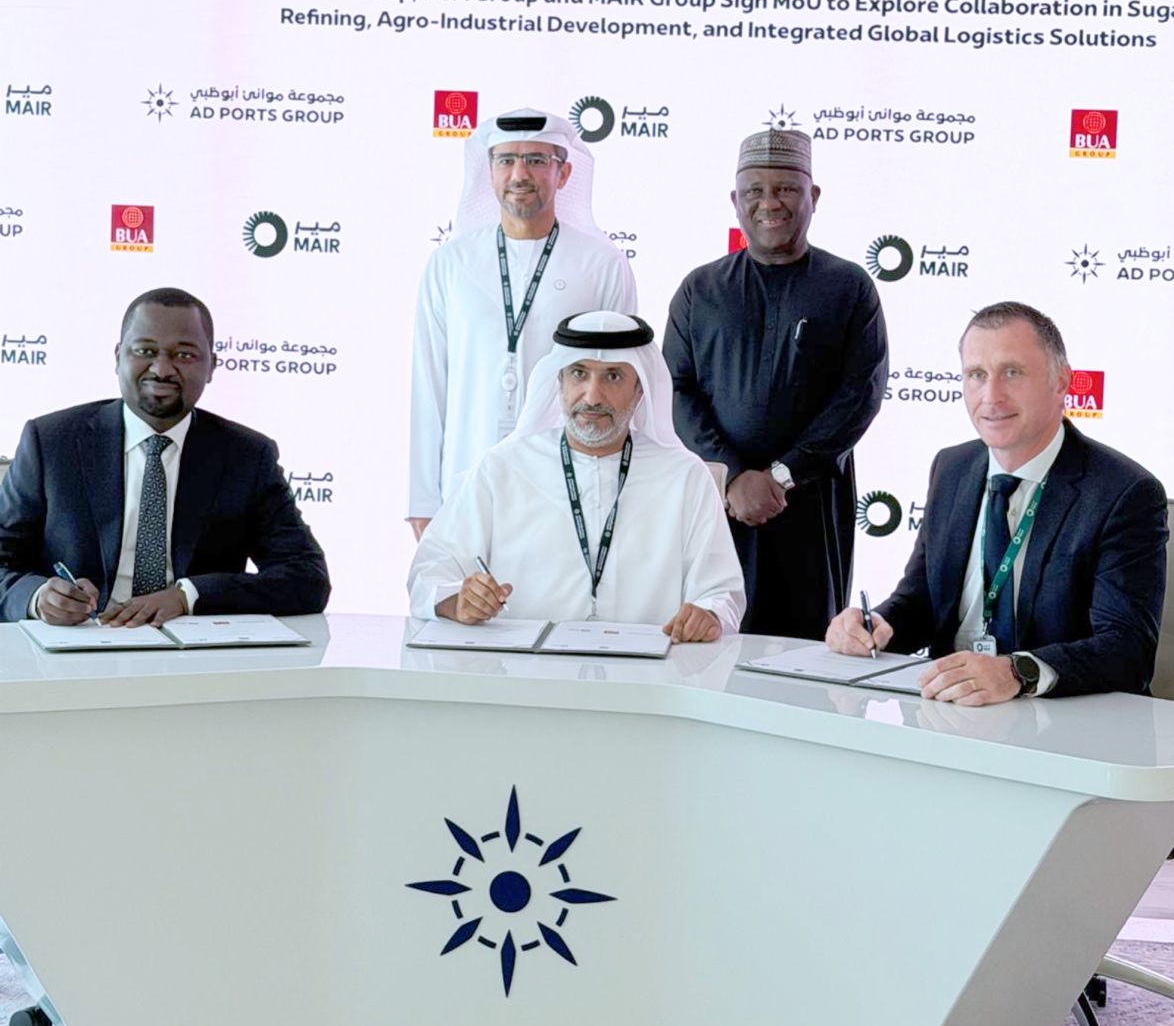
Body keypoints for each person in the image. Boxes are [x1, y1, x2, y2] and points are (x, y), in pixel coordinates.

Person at [826, 301, 1167, 704]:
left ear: (1062, 383)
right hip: (950, 714)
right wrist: (875, 626)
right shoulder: (952, 467)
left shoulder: (1123, 493)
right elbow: (922, 601)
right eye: (976, 375)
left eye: (1012, 372)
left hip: (1064, 730)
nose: (991, 396)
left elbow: (1127, 649)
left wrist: (1016, 671)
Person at [663, 127, 888, 640]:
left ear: (814, 196)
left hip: (809, 506)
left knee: (803, 654)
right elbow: (677, 389)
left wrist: (782, 476)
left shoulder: (849, 286)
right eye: (754, 191)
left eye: (786, 188)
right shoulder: (701, 289)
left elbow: (860, 395)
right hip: (719, 506)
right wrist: (736, 474)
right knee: (707, 640)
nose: (769, 203)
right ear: (734, 201)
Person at [0, 288, 331, 626]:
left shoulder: (246, 456)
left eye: (184, 355)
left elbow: (307, 578)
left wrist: (188, 595)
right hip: (75, 652)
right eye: (145, 350)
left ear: (212, 366)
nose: (161, 369)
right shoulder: (52, 443)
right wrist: (38, 597)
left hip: (194, 660)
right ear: (118, 357)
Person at [408, 311, 745, 641]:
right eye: (579, 374)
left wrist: (709, 616)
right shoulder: (502, 468)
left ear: (640, 390)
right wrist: (458, 601)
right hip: (525, 679)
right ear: (560, 382)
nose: (592, 396)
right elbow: (429, 571)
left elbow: (721, 594)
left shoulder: (684, 477)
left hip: (649, 683)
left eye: (612, 377)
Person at [407, 107, 638, 538]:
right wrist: (423, 501)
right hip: (464, 481)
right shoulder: (450, 264)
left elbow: (621, 387)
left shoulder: (602, 264)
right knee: (466, 605)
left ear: (564, 174)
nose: (519, 173)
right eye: (506, 160)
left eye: (536, 160)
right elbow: (429, 384)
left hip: (570, 487)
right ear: (489, 172)